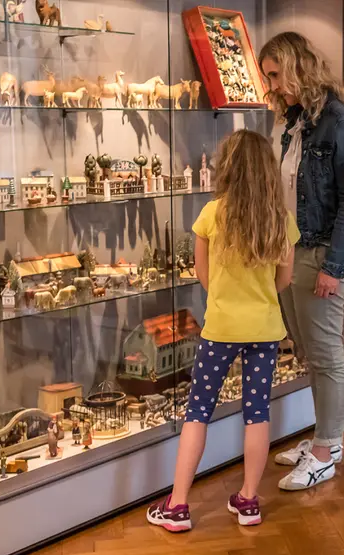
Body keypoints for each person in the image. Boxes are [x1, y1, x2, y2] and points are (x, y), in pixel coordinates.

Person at [146, 130, 299, 532]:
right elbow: (285, 280)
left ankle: (178, 505)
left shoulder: (212, 214)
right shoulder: (281, 220)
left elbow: (203, 275)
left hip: (221, 329)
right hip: (265, 329)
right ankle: (249, 500)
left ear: (227, 168)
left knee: (198, 411)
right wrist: (258, 297)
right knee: (257, 412)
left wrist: (227, 298)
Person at [259, 32, 344, 491]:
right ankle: (325, 438)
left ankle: (326, 449)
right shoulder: (295, 121)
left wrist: (333, 267)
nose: (272, 86)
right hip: (291, 250)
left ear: (296, 67)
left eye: (275, 75)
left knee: (325, 355)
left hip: (321, 251)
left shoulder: (340, 124)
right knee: (306, 351)